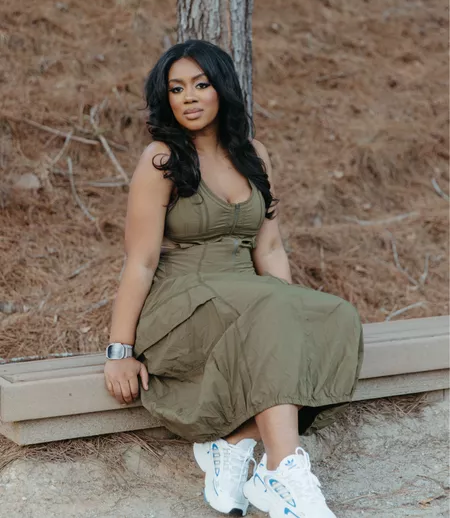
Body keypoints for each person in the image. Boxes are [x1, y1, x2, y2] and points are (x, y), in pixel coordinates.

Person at [104, 39, 363, 518]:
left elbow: (270, 248)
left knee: (335, 315)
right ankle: (282, 471)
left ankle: (233, 444)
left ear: (222, 89)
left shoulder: (254, 154)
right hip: (182, 301)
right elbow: (140, 260)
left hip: (248, 294)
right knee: (271, 308)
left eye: (200, 84)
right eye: (176, 88)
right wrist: (119, 351)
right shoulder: (162, 160)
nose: (189, 97)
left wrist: (291, 314)